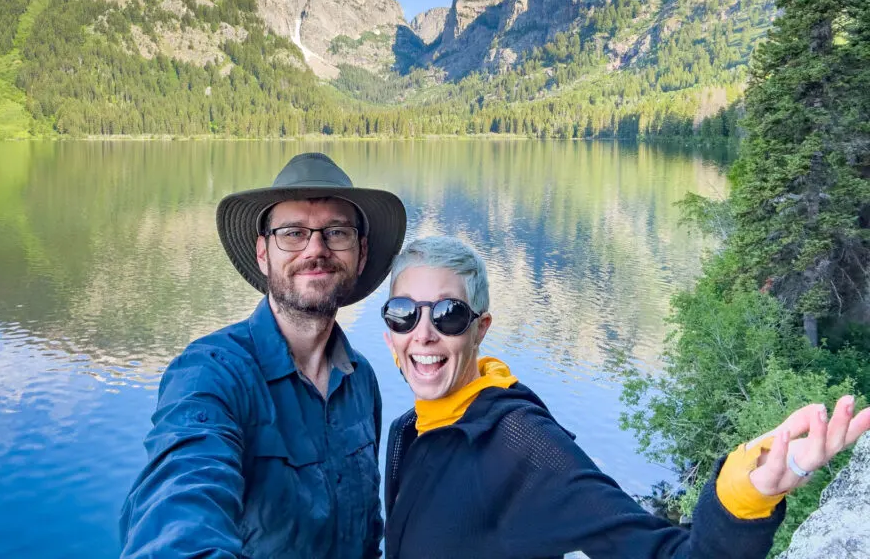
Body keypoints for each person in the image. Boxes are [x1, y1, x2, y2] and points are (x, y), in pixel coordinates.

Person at [380, 236, 870, 559]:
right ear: (389, 334)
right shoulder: (409, 429)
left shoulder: (519, 442)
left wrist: (746, 496)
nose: (422, 334)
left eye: (446, 313)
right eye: (403, 313)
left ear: (479, 328)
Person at [120, 152, 406, 559]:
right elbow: (181, 503)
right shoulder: (211, 374)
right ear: (262, 252)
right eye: (292, 233)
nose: (316, 249)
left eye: (336, 232)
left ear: (360, 253)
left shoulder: (361, 380)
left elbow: (366, 538)